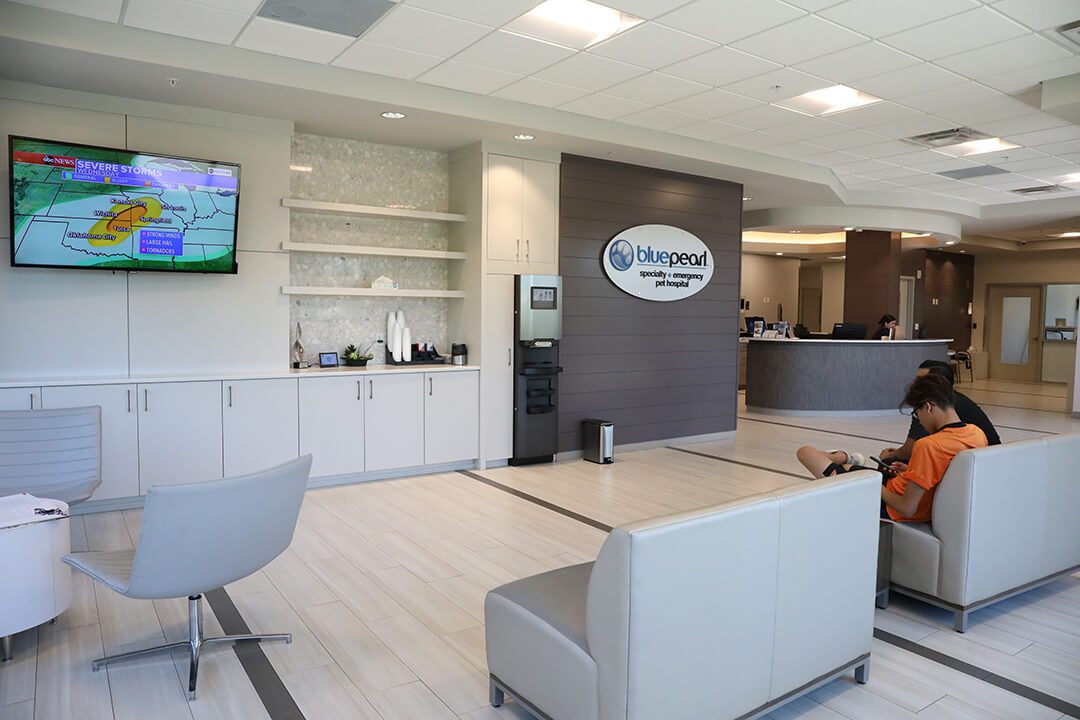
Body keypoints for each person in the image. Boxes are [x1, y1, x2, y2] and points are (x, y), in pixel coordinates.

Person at [796, 373, 988, 522]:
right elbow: (945, 474)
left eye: (916, 412)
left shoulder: (929, 445)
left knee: (805, 453)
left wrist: (871, 483)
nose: (919, 419)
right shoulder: (976, 433)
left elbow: (907, 508)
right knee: (840, 468)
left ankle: (843, 456)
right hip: (899, 486)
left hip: (889, 507)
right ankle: (845, 459)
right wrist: (911, 470)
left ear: (928, 407)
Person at [879, 360, 1000, 463]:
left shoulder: (928, 405)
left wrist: (887, 457)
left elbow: (910, 451)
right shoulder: (954, 399)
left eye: (921, 380)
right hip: (986, 459)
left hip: (975, 464)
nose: (914, 384)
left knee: (889, 463)